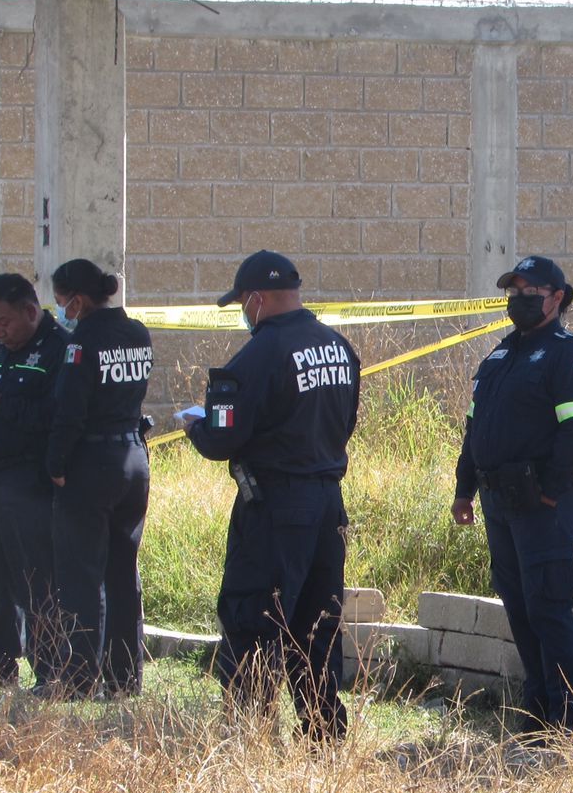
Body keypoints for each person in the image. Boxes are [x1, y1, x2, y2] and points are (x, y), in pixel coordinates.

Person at [184, 250, 360, 740]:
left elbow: (222, 439)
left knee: (255, 613)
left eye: (242, 302)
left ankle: (250, 733)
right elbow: (344, 425)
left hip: (276, 508)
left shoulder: (258, 355)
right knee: (317, 624)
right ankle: (324, 732)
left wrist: (193, 430)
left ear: (257, 299)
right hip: (327, 503)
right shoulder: (339, 347)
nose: (243, 312)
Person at [452, 255, 573, 734]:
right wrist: (464, 490)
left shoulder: (567, 355)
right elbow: (475, 429)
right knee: (519, 607)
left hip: (541, 506)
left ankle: (570, 721)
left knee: (548, 607)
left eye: (529, 293)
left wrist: (553, 493)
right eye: (513, 293)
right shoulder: (499, 356)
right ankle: (537, 715)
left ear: (557, 298)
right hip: (499, 502)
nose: (518, 301)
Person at [43, 258, 153, 698]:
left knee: (81, 575)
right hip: (133, 457)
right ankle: (125, 679)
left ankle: (78, 679)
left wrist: (55, 465)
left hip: (92, 462)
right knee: (124, 573)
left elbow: (70, 412)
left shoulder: (82, 342)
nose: (61, 312)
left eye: (61, 304)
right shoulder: (137, 332)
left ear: (79, 300)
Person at [0, 273, 69, 687]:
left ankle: (51, 671)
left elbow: (57, 418)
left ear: (30, 310)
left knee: (36, 580)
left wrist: (4, 407)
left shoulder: (58, 349)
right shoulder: (0, 350)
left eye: (4, 321)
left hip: (28, 480)